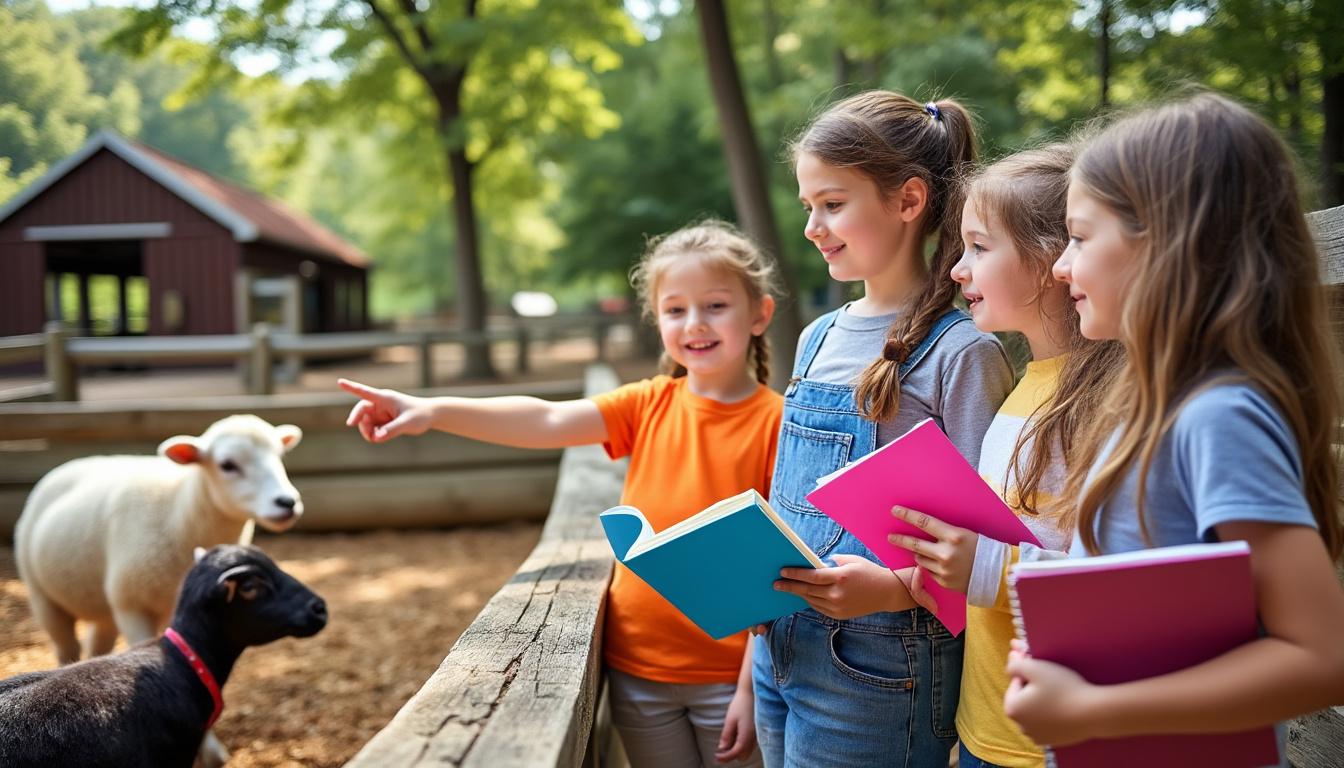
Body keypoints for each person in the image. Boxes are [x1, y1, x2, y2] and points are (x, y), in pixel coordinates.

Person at [340, 220, 783, 767]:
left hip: (729, 678)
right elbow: (545, 419)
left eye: (715, 306)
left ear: (759, 313)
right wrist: (431, 410)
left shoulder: (780, 425)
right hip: (638, 670)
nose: (694, 323)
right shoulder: (647, 404)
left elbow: (771, 575)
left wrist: (750, 688)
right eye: (675, 309)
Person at [1002, 93, 1344, 764]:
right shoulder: (1148, 404)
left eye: (1079, 235)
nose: (1063, 265)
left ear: (1165, 242)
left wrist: (1091, 708)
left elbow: (1322, 656)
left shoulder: (1220, 417)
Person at [757, 90, 1014, 767]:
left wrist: (889, 588)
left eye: (833, 204)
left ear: (908, 201)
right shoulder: (815, 337)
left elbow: (983, 549)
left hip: (876, 668)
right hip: (777, 649)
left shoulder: (963, 354)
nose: (813, 225)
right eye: (808, 205)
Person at [884, 144, 1122, 768]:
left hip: (1051, 743)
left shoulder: (1103, 404)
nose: (957, 271)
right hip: (986, 721)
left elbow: (1113, 585)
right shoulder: (1026, 383)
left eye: (979, 249)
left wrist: (982, 567)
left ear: (1052, 260)